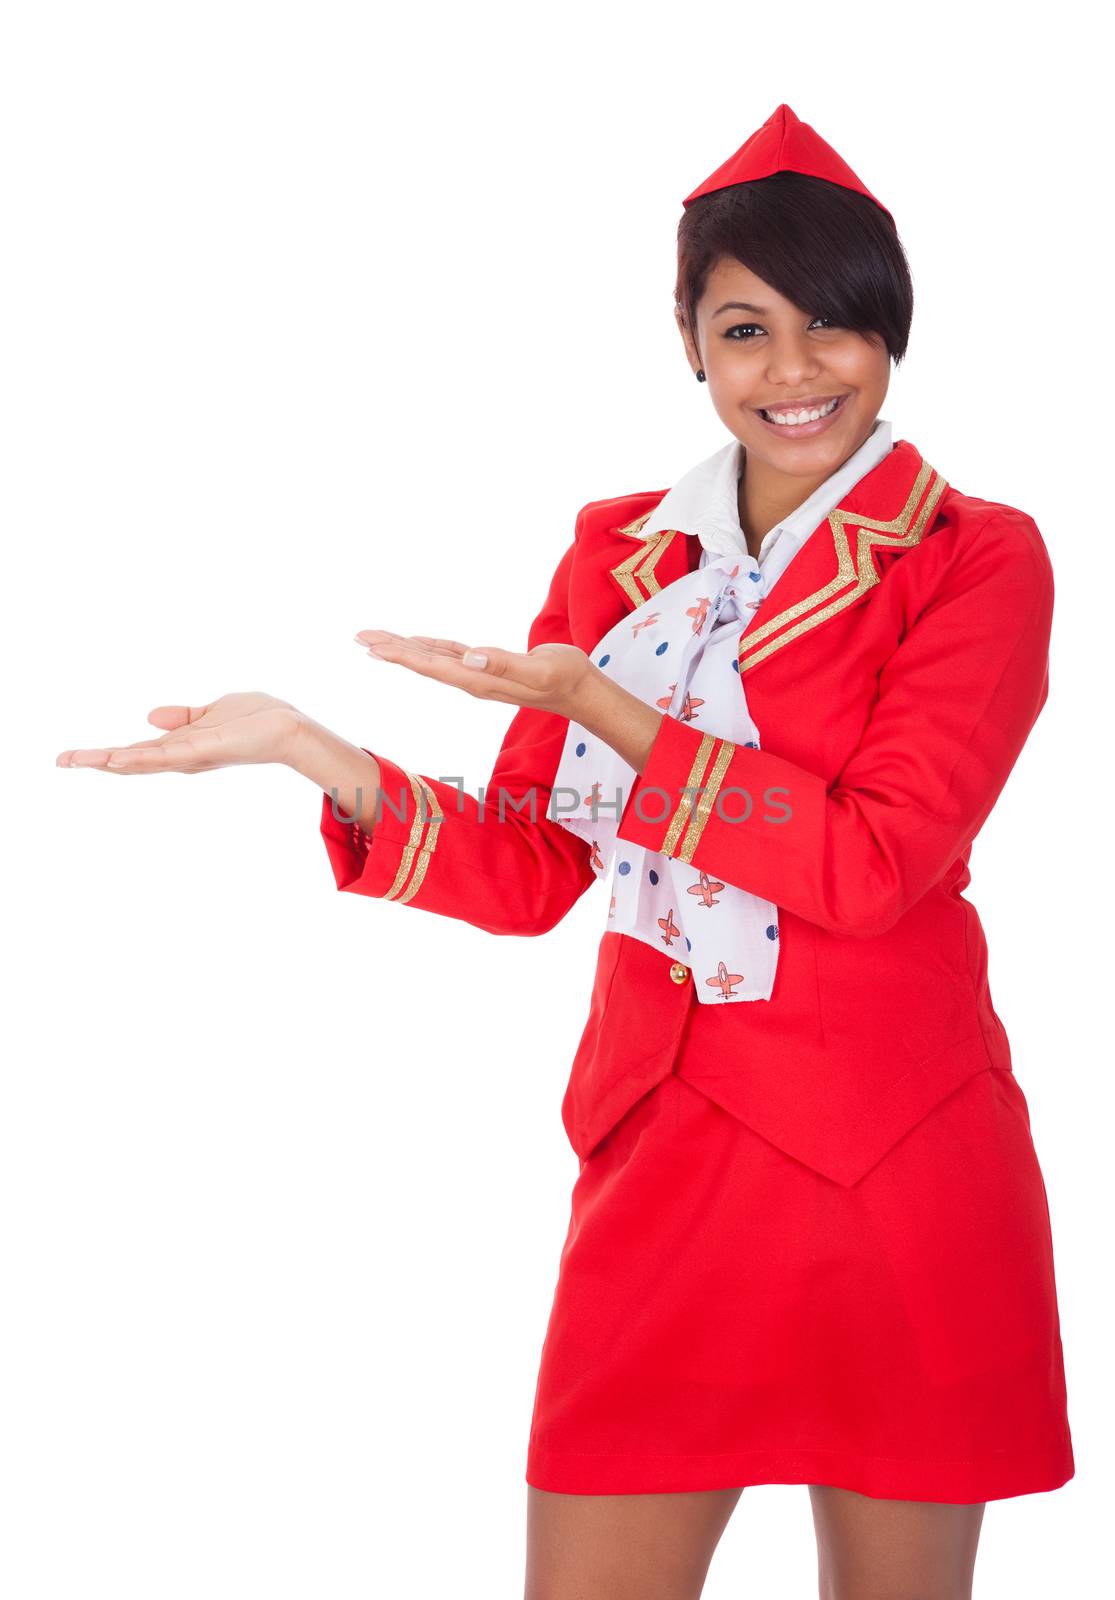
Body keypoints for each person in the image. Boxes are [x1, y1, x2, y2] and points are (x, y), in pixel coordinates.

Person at [57, 103, 1074, 1600]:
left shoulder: (979, 555)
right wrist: (312, 748)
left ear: (892, 332)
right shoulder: (619, 550)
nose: (795, 374)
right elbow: (536, 867)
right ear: (690, 343)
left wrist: (605, 702)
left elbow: (875, 865)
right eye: (745, 331)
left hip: (898, 1161)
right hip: (665, 1153)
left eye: (835, 328)